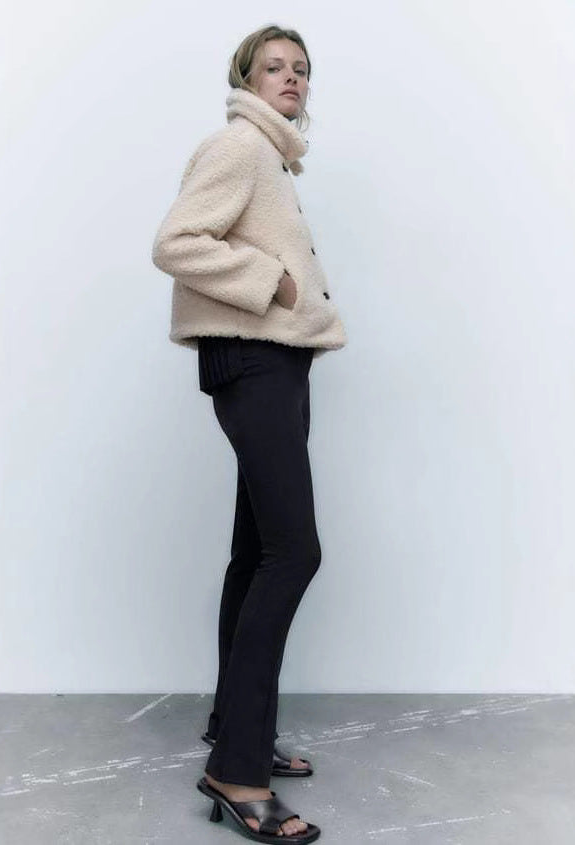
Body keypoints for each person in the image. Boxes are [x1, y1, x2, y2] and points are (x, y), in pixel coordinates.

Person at [151, 24, 346, 843]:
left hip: (275, 360)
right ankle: (236, 772)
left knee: (258, 549)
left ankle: (236, 727)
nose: (290, 77)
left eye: (300, 68)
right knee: (293, 552)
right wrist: (276, 281)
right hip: (255, 357)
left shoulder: (271, 157)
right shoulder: (239, 146)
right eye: (273, 67)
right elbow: (175, 242)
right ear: (246, 79)